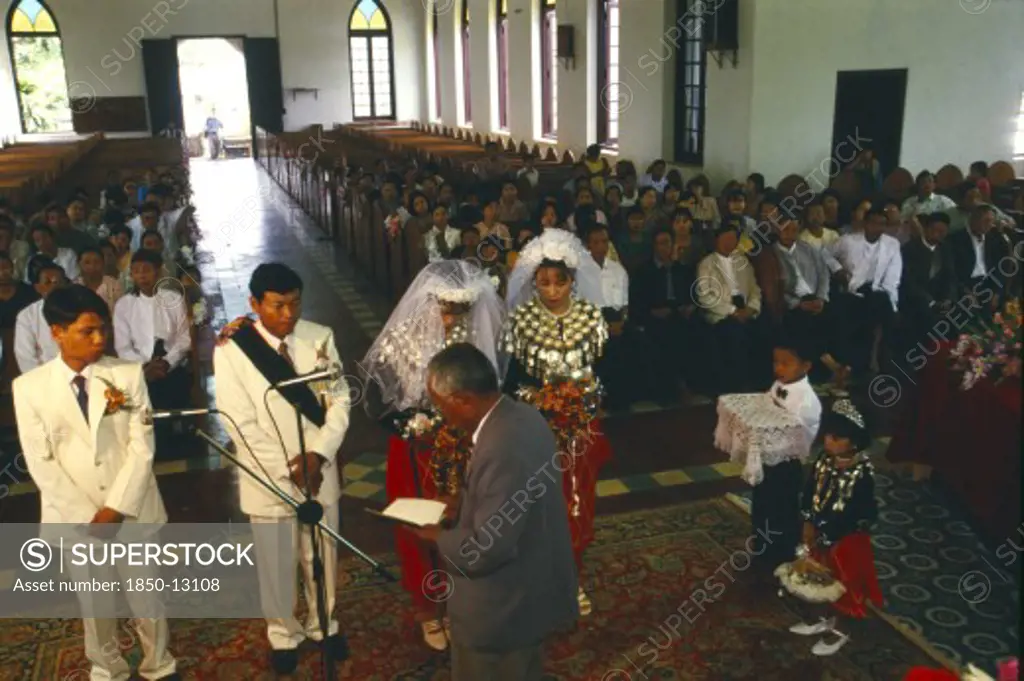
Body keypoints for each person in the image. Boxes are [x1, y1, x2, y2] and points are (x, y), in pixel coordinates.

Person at [13, 285, 179, 681]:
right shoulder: (30, 388)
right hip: (78, 520)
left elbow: (142, 447)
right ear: (57, 332)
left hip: (131, 509)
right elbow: (42, 463)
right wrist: (89, 516)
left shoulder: (126, 374)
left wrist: (115, 507)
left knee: (147, 597)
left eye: (102, 329)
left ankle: (159, 664)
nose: (100, 339)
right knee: (96, 604)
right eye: (87, 331)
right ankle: (107, 669)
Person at [212, 263, 351, 674]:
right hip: (267, 472)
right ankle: (282, 633)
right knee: (275, 560)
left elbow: (340, 400)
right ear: (254, 304)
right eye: (276, 306)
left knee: (322, 552)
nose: (288, 315)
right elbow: (237, 420)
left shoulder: (319, 337)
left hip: (318, 468)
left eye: (294, 303)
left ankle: (325, 624)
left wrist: (320, 454)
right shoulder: (232, 349)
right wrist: (288, 468)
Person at [360, 260, 505, 651]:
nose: (450, 319)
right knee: (419, 528)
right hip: (416, 451)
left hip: (462, 450)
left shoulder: (474, 341)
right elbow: (379, 402)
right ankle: (428, 608)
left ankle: (461, 604)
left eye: (458, 311)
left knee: (464, 525)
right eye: (443, 309)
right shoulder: (403, 342)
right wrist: (416, 425)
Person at [411, 343, 578, 681]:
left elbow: (485, 548)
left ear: (464, 400)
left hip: (503, 611)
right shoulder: (523, 416)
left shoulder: (500, 447)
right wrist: (464, 503)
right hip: (532, 589)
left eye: (441, 405)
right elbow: (517, 501)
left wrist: (438, 538)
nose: (441, 415)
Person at [502, 228, 612, 615]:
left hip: (580, 427)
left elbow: (601, 374)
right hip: (535, 428)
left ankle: (572, 576)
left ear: (572, 280)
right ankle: (536, 577)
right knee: (538, 504)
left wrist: (582, 401)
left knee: (578, 501)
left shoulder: (590, 317)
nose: (551, 291)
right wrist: (542, 400)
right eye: (544, 282)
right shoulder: (520, 319)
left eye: (559, 282)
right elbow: (513, 381)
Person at [783, 399, 882, 656]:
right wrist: (807, 520)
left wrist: (827, 532)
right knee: (816, 579)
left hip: (845, 541)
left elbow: (858, 513)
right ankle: (822, 618)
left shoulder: (862, 475)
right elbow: (809, 491)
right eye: (827, 435)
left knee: (843, 585)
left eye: (837, 438)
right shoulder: (824, 460)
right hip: (818, 532)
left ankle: (842, 630)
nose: (829, 441)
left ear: (855, 442)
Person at [755, 337, 822, 570]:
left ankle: (781, 554)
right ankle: (762, 544)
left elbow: (791, 434)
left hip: (787, 461)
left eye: (786, 363)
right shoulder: (779, 385)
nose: (778, 368)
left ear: (806, 366)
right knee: (763, 502)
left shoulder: (806, 401)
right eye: (776, 362)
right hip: (768, 457)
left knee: (781, 508)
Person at [824, 206, 902, 374]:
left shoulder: (892, 244)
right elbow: (825, 253)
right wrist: (837, 269)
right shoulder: (848, 240)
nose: (877, 227)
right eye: (873, 223)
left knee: (883, 306)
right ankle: (856, 365)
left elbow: (892, 278)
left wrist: (893, 304)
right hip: (851, 291)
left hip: (877, 292)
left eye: (882, 224)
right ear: (865, 224)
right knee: (851, 313)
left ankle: (880, 363)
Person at [695, 220, 764, 394]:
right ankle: (735, 386)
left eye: (733, 239)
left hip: (745, 309)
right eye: (725, 238)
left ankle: (761, 383)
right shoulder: (706, 263)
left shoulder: (743, 261)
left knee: (765, 331)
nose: (729, 242)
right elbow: (704, 296)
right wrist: (733, 311)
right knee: (734, 334)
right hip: (722, 312)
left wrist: (751, 308)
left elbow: (755, 288)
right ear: (716, 240)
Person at [14, 259, 65, 373]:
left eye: (58, 282)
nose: (54, 287)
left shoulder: (78, 310)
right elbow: (26, 358)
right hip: (42, 378)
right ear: (37, 287)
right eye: (48, 282)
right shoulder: (27, 316)